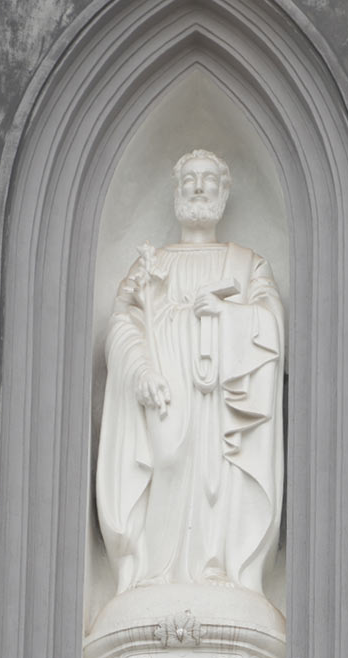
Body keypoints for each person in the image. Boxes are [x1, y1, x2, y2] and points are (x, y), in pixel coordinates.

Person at [96, 150, 284, 597]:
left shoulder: (246, 264)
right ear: (178, 192)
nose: (199, 188)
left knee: (218, 476)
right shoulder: (150, 264)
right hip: (165, 393)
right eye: (190, 181)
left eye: (208, 181)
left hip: (221, 396)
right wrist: (140, 370)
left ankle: (219, 568)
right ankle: (153, 573)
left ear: (223, 193)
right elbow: (124, 321)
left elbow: (271, 322)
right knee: (168, 460)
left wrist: (225, 314)